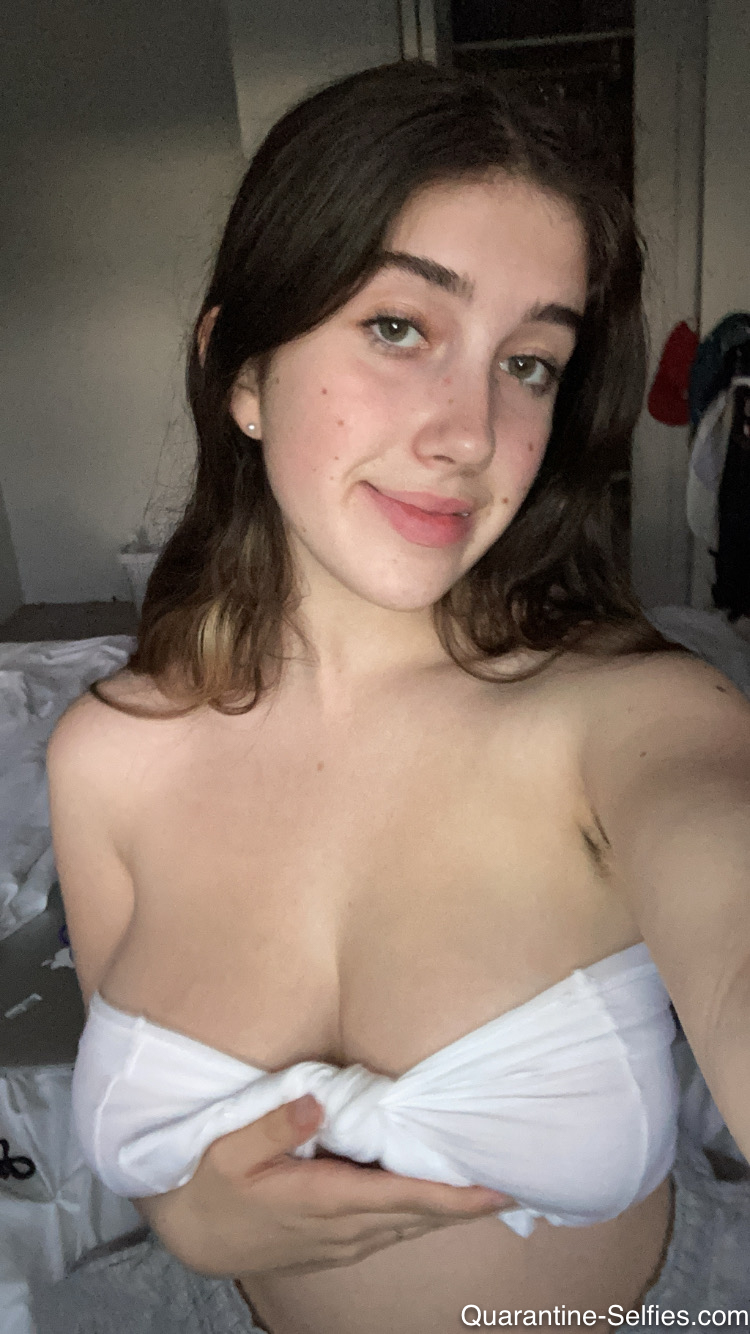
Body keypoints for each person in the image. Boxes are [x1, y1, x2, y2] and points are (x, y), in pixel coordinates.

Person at [39, 60, 750, 1334]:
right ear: (241, 373)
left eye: (529, 362)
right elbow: (158, 1165)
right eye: (399, 328)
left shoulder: (635, 719)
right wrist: (189, 1219)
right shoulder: (105, 757)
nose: (470, 431)